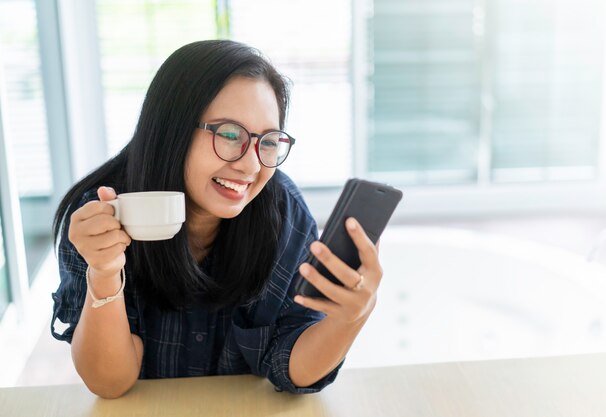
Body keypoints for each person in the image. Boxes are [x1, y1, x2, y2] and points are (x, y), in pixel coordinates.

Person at [51, 40, 383, 399]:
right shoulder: (102, 214)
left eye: (267, 142)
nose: (251, 166)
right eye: (229, 135)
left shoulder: (283, 211)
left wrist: (351, 317)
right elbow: (109, 382)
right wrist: (103, 273)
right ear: (171, 130)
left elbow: (292, 370)